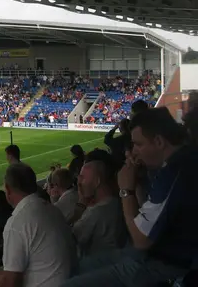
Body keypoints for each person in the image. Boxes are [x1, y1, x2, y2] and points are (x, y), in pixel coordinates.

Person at [62, 107, 198, 286]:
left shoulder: (175, 172)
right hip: (150, 255)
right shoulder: (175, 164)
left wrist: (126, 190)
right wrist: (138, 183)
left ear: (158, 141)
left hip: (163, 265)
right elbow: (145, 217)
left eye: (138, 144)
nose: (134, 151)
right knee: (72, 268)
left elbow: (141, 240)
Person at [0, 163, 76, 287]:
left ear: (8, 189)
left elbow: (11, 282)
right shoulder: (50, 208)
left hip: (50, 282)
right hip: (69, 279)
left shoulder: (17, 222)